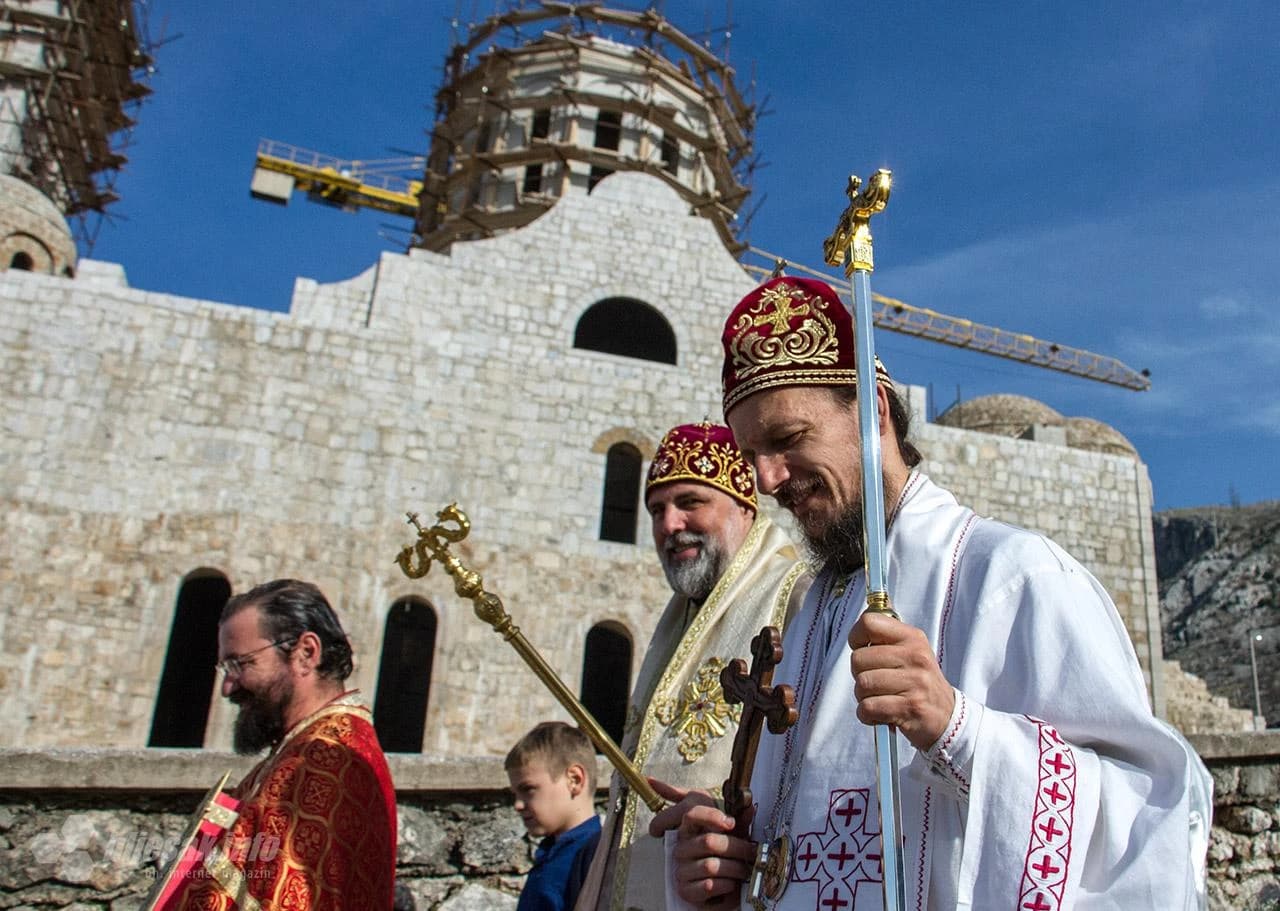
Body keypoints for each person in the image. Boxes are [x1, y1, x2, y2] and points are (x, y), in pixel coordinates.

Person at [651, 276, 1211, 909]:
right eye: (752, 452)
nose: (767, 479)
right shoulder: (811, 613)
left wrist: (957, 726)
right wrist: (730, 863)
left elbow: (1149, 818)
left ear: (874, 415)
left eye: (787, 440)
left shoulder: (1014, 577)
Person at [575, 421, 811, 910]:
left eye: (690, 503)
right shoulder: (678, 622)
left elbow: (823, 774)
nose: (669, 525)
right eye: (657, 510)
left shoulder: (799, 597)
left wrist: (731, 827)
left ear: (743, 504)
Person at [170, 578, 397, 910]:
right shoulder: (303, 745)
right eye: (225, 667)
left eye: (240, 664)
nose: (227, 688)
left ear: (306, 654)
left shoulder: (324, 763)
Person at [507, 721, 604, 911]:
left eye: (528, 789)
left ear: (574, 780)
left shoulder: (597, 855)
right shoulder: (552, 852)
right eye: (515, 794)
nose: (518, 805)